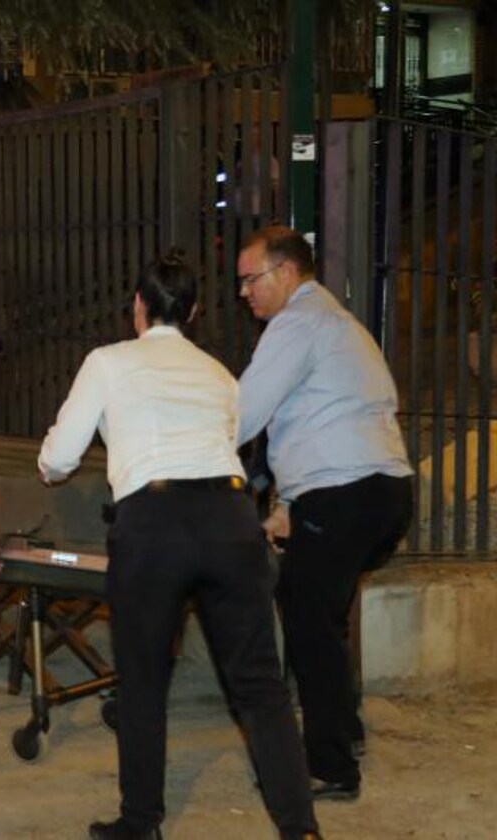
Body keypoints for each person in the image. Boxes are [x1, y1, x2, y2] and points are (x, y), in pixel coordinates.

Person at [38, 251, 320, 840]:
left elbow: (61, 456)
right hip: (230, 519)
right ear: (192, 312)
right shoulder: (220, 375)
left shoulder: (108, 361)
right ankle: (302, 830)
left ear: (137, 306)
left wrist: (48, 467)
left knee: (143, 682)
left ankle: (141, 823)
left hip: (153, 525)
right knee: (260, 687)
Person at [237, 225, 414, 802]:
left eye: (251, 279)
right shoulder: (340, 323)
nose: (244, 292)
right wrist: (291, 504)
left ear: (286, 273)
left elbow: (245, 411)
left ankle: (330, 766)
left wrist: (192, 447)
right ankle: (346, 733)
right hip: (381, 490)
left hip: (346, 492)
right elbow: (322, 417)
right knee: (323, 612)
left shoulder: (297, 323)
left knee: (309, 616)